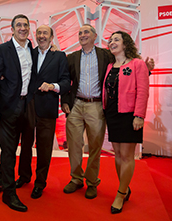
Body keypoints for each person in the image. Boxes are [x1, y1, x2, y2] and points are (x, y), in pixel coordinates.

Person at [61, 24, 154, 199]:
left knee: (95, 146)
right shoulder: (71, 57)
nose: (82, 35)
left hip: (96, 106)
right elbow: (66, 80)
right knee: (74, 145)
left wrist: (146, 70)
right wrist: (65, 101)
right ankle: (76, 178)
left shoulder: (106, 55)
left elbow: (128, 68)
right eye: (80, 32)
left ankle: (92, 181)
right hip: (75, 105)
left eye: (86, 32)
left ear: (95, 36)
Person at [16, 25, 70, 199]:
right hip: (28, 106)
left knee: (44, 148)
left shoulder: (60, 56)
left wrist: (52, 86)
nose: (41, 36)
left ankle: (40, 183)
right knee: (25, 144)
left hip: (48, 107)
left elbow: (66, 82)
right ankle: (24, 176)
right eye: (39, 33)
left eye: (45, 33)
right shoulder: (29, 52)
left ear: (51, 37)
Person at [0, 14, 32, 212]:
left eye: (25, 25)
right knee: (9, 150)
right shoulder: (2, 50)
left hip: (28, 107)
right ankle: (9, 193)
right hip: (6, 108)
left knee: (18, 148)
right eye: (18, 25)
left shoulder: (33, 50)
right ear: (12, 29)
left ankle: (1, 178)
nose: (22, 28)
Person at [102, 31, 149, 214]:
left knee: (127, 156)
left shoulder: (138, 64)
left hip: (130, 114)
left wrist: (139, 115)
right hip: (113, 114)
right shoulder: (110, 66)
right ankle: (125, 187)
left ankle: (121, 193)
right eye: (110, 40)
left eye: (116, 39)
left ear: (125, 44)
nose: (112, 42)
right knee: (118, 154)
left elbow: (143, 90)